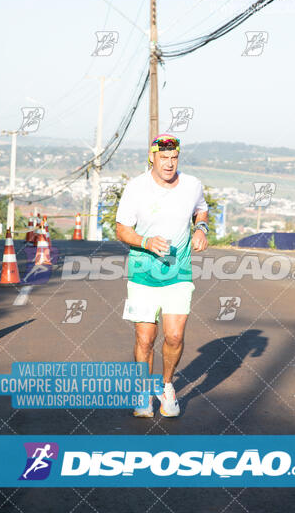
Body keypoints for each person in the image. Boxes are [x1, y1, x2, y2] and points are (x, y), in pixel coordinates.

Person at [116, 134, 209, 417]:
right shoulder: (136, 188)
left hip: (178, 272)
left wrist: (201, 229)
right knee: (145, 338)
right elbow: (122, 229)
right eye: (163, 158)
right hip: (143, 274)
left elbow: (201, 210)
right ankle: (143, 391)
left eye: (174, 158)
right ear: (152, 157)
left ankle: (166, 385)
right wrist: (146, 242)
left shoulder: (192, 185)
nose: (169, 164)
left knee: (174, 336)